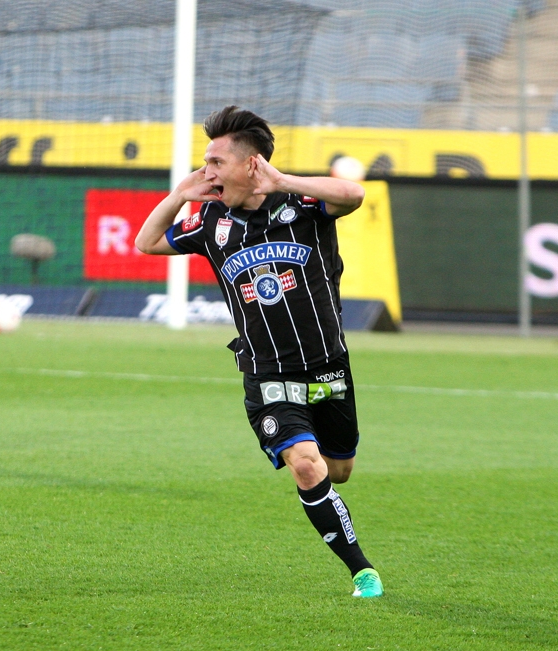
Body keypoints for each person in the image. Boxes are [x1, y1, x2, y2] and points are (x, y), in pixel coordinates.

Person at [135, 106, 383, 598]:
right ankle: (362, 572)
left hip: (329, 366)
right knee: (307, 465)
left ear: (250, 166)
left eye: (215, 162)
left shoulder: (304, 205)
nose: (206, 171)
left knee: (338, 470)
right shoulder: (211, 221)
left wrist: (283, 179)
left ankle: (331, 506)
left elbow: (354, 194)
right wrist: (179, 195)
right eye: (205, 163)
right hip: (266, 372)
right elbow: (147, 242)